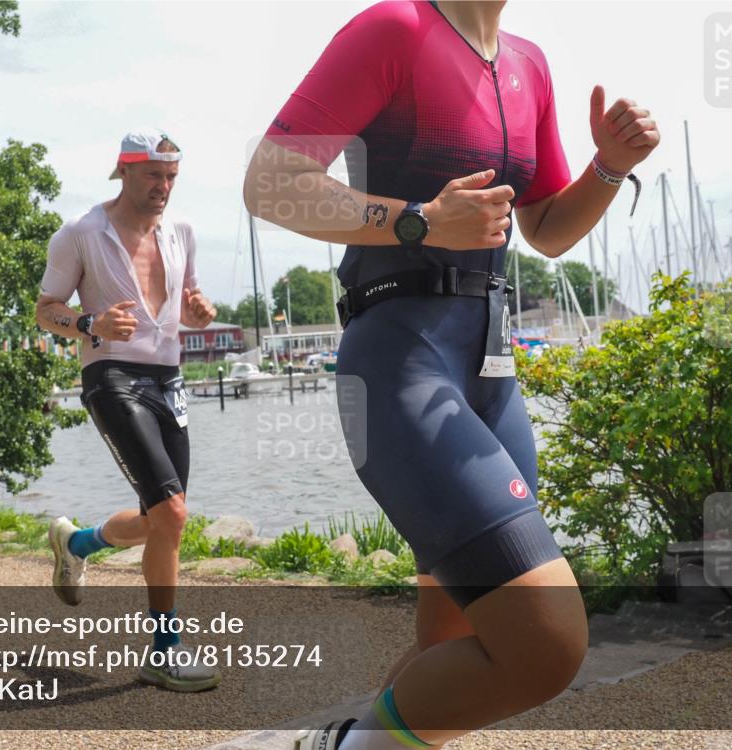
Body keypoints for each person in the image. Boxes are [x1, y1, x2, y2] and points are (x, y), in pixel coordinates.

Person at [243, 2, 659, 748]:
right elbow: (270, 182)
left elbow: (548, 229)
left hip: (490, 375)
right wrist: (418, 222)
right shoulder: (394, 29)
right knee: (545, 644)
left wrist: (608, 168)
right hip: (401, 361)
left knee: (452, 646)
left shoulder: (529, 62)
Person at [36, 129, 220, 692]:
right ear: (124, 171)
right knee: (174, 516)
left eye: (171, 178)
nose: (163, 187)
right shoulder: (80, 234)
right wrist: (89, 323)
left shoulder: (182, 232)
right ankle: (165, 650)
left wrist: (201, 311)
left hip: (169, 379)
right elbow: (46, 311)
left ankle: (77, 543)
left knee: (160, 518)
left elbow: (189, 311)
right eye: (153, 177)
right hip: (111, 375)